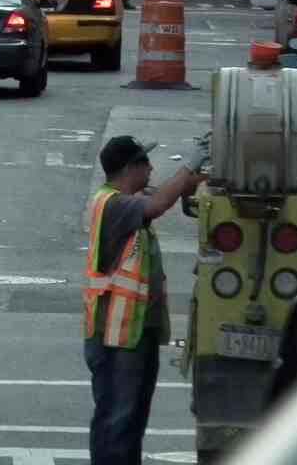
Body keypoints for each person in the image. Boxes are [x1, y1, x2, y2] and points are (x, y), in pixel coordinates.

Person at [84, 134, 207, 465]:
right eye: (144, 163)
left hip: (134, 332)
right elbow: (158, 203)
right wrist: (190, 164)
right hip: (117, 335)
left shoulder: (126, 198)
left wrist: (204, 172)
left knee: (131, 419)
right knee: (117, 419)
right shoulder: (115, 205)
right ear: (127, 169)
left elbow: (168, 191)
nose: (151, 168)